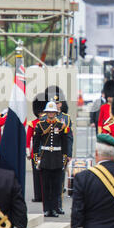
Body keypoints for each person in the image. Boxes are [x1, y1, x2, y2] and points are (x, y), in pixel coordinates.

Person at [33, 101, 68, 217]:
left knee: (56, 186)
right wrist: (36, 158)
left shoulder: (61, 126)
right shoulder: (40, 125)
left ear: (56, 113)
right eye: (49, 112)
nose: (51, 114)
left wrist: (65, 157)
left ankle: (54, 208)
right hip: (46, 158)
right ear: (46, 112)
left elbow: (65, 143)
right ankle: (47, 209)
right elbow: (36, 143)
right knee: (46, 186)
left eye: (53, 112)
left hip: (57, 158)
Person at [44, 85, 73, 214]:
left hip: (61, 152)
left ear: (61, 104)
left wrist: (69, 153)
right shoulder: (45, 118)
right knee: (48, 181)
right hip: (48, 153)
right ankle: (49, 207)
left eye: (58, 103)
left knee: (59, 181)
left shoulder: (66, 118)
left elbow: (69, 138)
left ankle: (58, 206)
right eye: (54, 103)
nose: (57, 105)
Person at [26, 93, 46, 203]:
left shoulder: (49, 123)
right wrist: (28, 152)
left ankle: (45, 195)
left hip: (47, 152)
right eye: (41, 112)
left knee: (45, 175)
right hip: (36, 153)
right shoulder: (32, 124)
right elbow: (28, 139)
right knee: (36, 175)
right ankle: (38, 195)